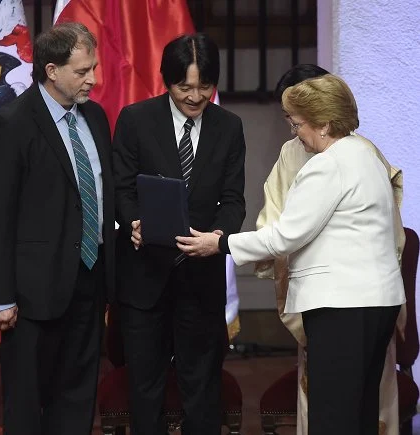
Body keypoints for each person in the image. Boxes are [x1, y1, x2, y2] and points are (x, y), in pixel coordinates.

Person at [215, 74, 405, 435]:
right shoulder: (366, 154)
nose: (294, 133)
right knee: (360, 413)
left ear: (325, 123)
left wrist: (222, 244)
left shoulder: (326, 165)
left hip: (342, 307)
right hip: (378, 303)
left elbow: (287, 235)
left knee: (332, 418)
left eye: (297, 123)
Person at [0, 22, 114, 435]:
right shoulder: (11, 123)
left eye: (93, 67)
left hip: (89, 282)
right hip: (32, 294)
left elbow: (100, 192)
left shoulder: (95, 116)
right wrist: (0, 297)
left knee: (77, 397)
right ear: (52, 71)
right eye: (82, 70)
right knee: (27, 401)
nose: (93, 78)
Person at [113, 33, 246, 434]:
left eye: (204, 87)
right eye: (184, 87)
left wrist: (217, 237)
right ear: (165, 80)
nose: (194, 96)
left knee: (201, 388)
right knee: (145, 386)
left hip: (201, 278)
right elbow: (122, 188)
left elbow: (233, 199)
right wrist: (134, 222)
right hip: (144, 277)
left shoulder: (229, 126)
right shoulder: (136, 119)